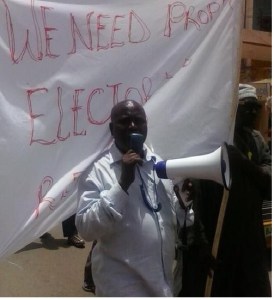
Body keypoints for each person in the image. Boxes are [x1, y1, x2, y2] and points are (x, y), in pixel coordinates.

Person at [75, 100, 194, 297]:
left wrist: (183, 204)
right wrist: (122, 184)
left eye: (138, 121)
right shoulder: (96, 170)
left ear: (146, 125)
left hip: (161, 286)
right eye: (125, 121)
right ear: (112, 129)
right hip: (122, 288)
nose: (132, 126)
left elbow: (176, 222)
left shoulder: (159, 165)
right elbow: (86, 229)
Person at [180, 83, 272, 297]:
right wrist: (197, 241)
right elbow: (189, 194)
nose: (252, 113)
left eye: (255, 108)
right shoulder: (208, 142)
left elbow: (269, 185)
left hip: (249, 241)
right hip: (215, 238)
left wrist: (242, 163)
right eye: (245, 107)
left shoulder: (256, 141)